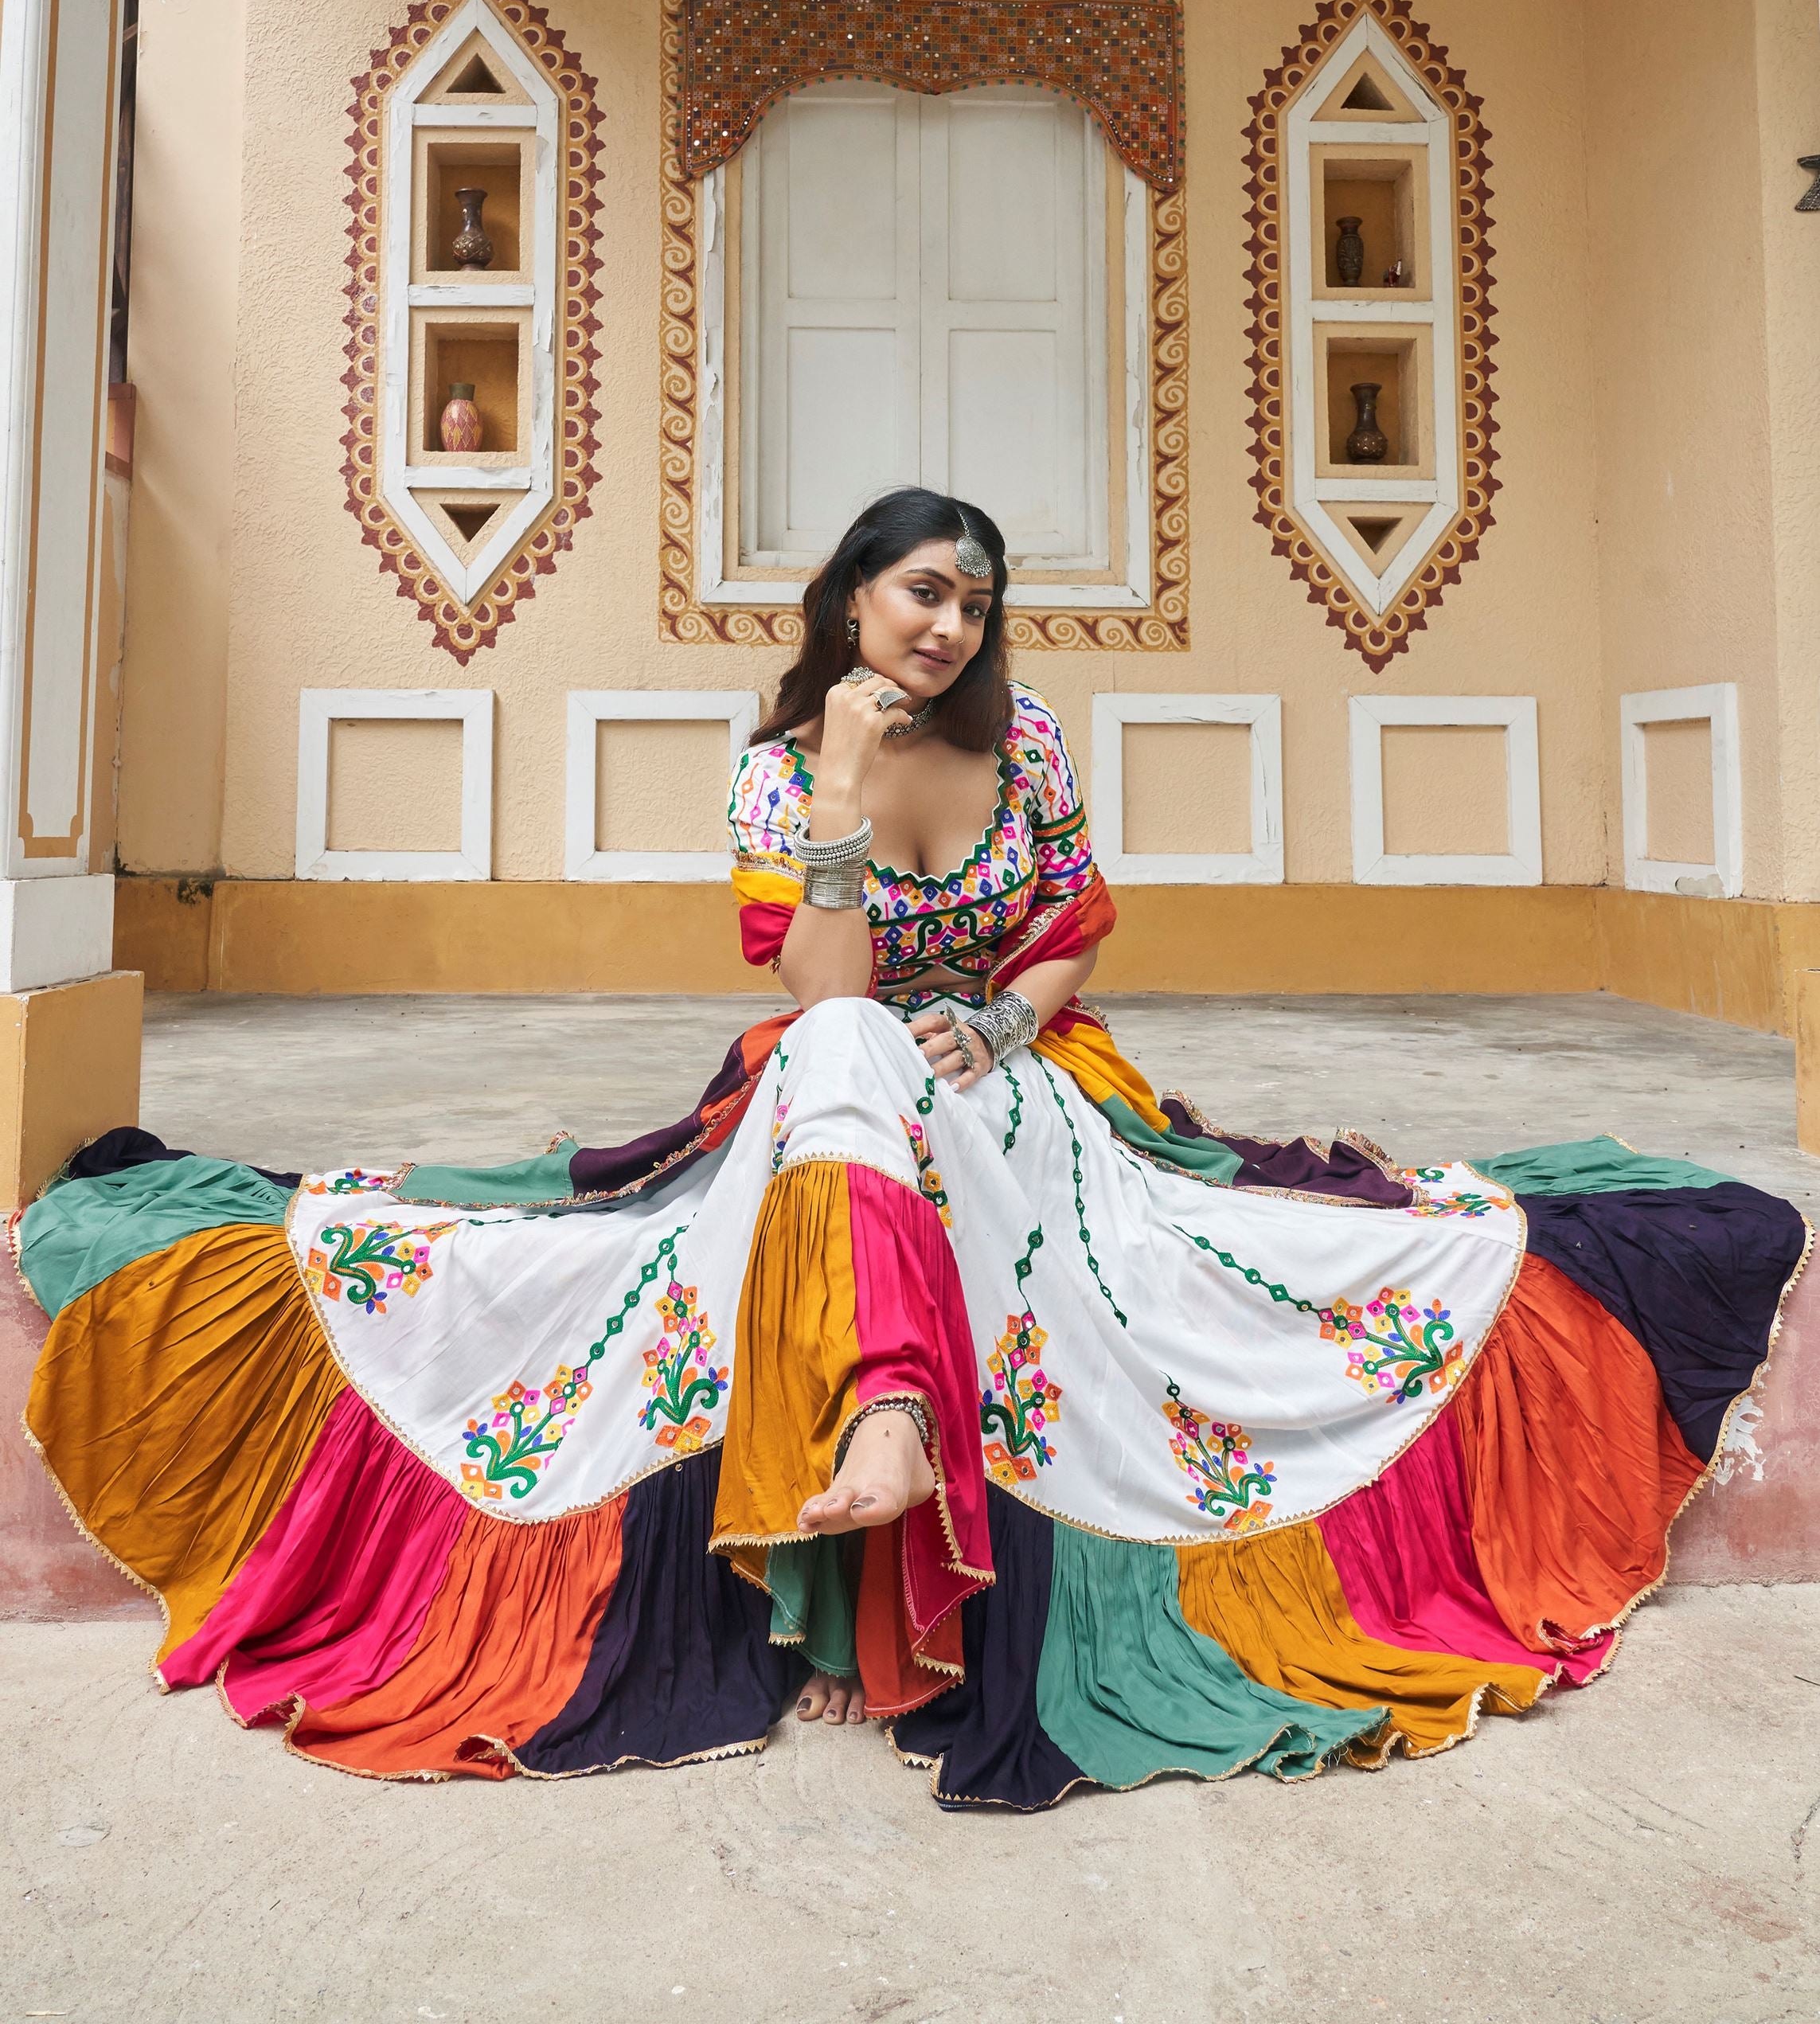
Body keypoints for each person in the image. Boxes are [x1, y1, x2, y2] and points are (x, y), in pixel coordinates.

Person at [15, 488, 1810, 1807]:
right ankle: (883, 1419)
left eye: (974, 601)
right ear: (851, 600)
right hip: (836, 1078)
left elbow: (1072, 932)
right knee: (842, 1043)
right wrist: (841, 797)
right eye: (922, 592)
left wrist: (1006, 1025)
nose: (948, 626)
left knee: (1228, 1232)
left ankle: (885, 1467)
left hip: (1015, 1068)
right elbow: (816, 989)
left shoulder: (1026, 742)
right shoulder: (775, 772)